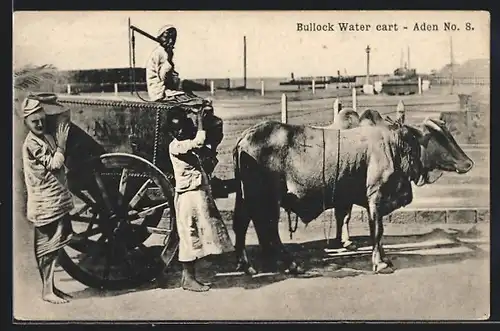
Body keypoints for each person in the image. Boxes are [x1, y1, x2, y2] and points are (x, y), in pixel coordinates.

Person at [165, 109, 234, 292]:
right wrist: (201, 122)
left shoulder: (186, 145)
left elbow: (206, 151)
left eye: (181, 128)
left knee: (198, 233)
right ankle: (188, 279)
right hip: (188, 196)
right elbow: (199, 141)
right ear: (171, 133)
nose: (179, 133)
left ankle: (188, 277)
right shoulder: (176, 146)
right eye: (175, 130)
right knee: (189, 235)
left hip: (198, 193)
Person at [22, 98, 74, 304]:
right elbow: (54, 164)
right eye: (35, 122)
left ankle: (51, 288)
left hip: (53, 200)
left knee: (56, 244)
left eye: (42, 119)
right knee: (47, 247)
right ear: (26, 122)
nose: (40, 124)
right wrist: (61, 145)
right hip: (44, 203)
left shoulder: (44, 136)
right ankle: (47, 291)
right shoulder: (32, 143)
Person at [146, 24, 182, 101]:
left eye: (173, 38)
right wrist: (169, 59)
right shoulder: (160, 53)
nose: (171, 41)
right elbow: (163, 77)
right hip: (159, 93)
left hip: (164, 91)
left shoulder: (164, 52)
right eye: (167, 38)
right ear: (160, 38)